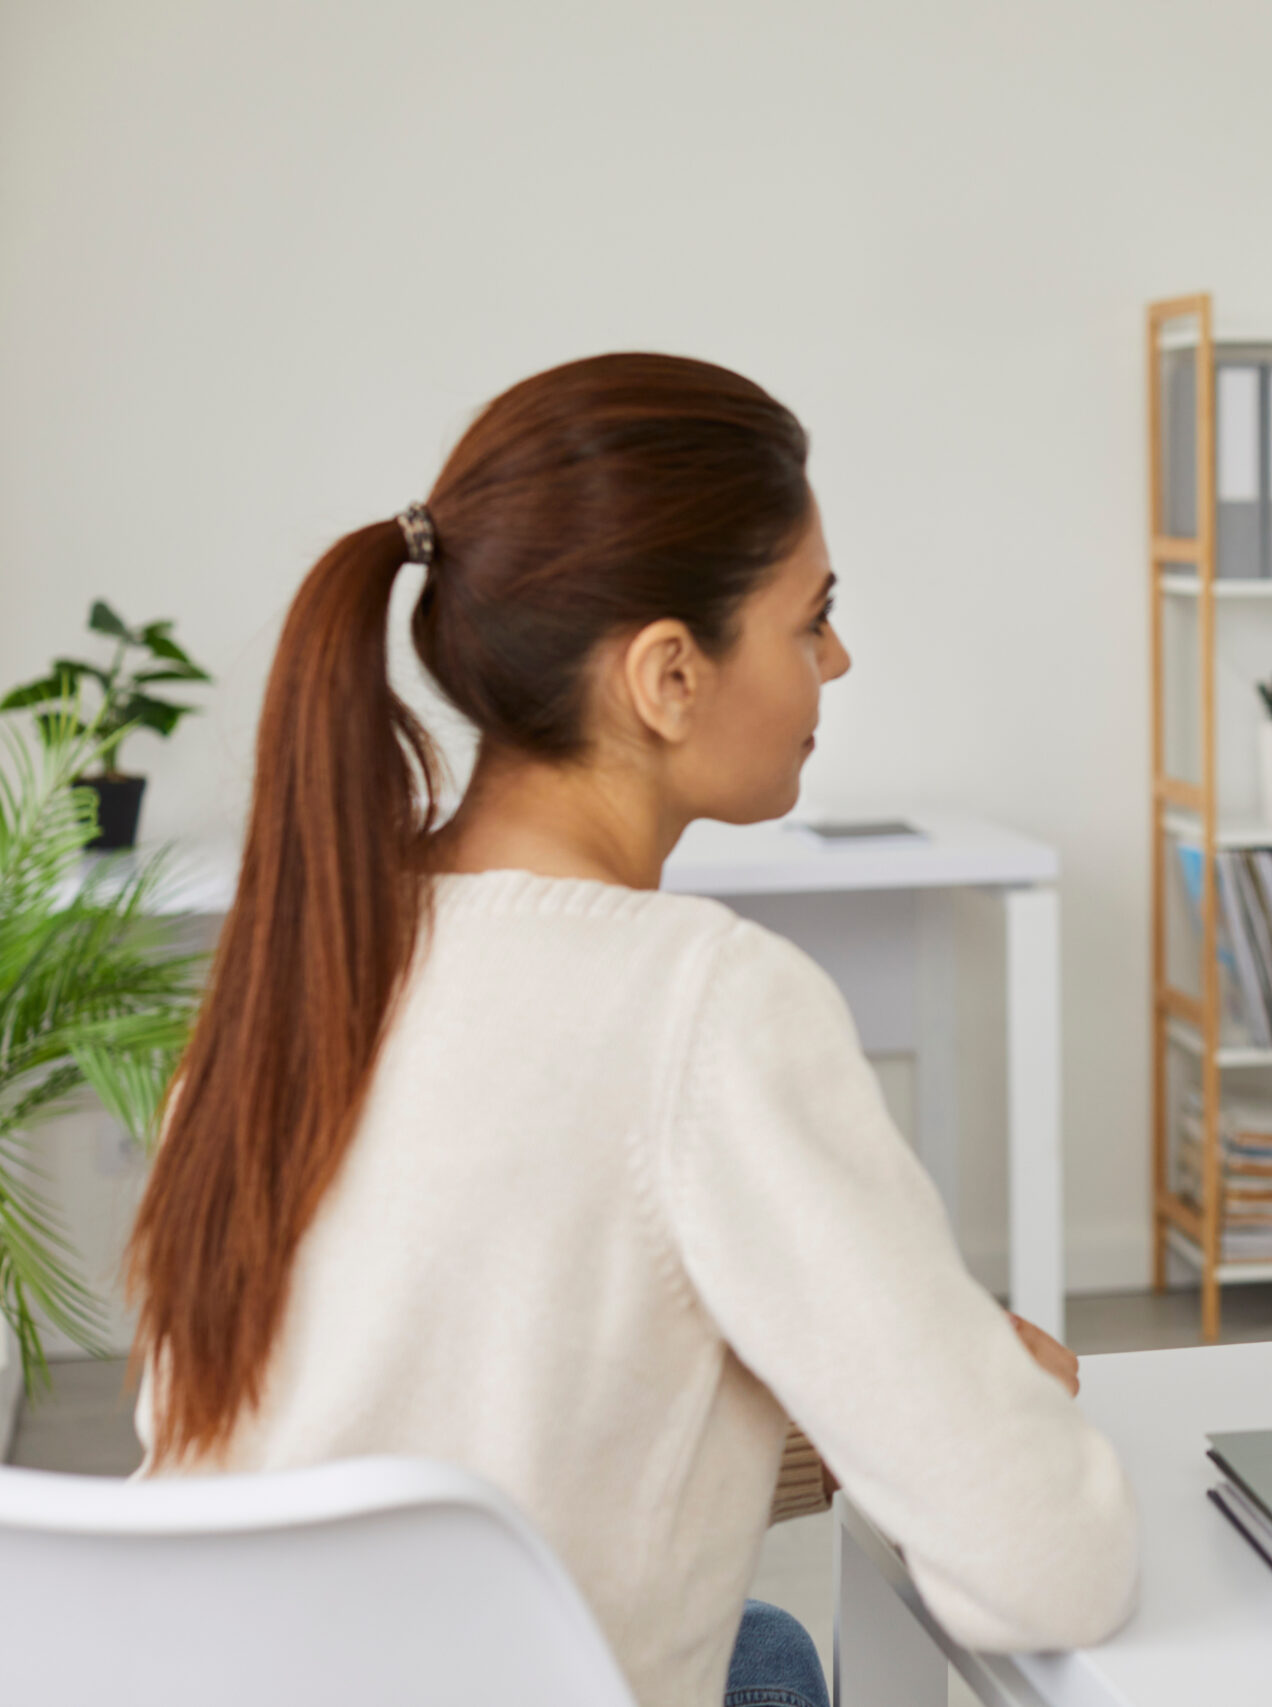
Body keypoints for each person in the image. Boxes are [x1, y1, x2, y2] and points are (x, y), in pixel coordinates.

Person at [124, 354, 1138, 1707]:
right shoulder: (705, 1001)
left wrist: (846, 1411)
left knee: (765, 1651)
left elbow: (312, 1431)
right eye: (812, 617)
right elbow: (1046, 1564)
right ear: (669, 674)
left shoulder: (302, 959)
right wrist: (973, 1411)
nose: (838, 657)